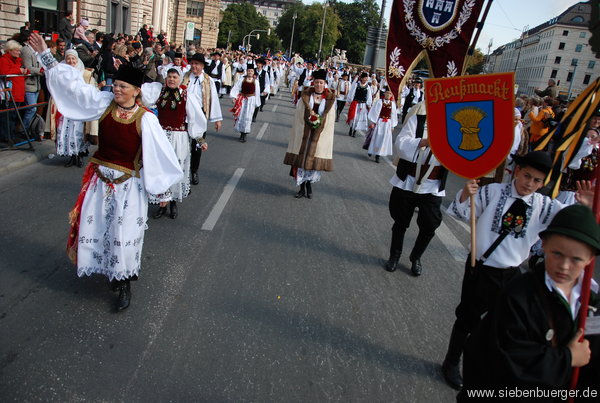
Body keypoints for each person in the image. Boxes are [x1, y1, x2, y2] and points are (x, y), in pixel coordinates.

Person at [30, 33, 183, 311]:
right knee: (99, 227)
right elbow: (73, 89)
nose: (117, 90)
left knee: (123, 236)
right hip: (100, 181)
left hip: (128, 186)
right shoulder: (103, 103)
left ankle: (124, 284)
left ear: (136, 91)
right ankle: (105, 269)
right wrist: (46, 57)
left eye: (123, 86)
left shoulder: (146, 120)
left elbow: (161, 157)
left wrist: (158, 188)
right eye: (116, 85)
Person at [441, 151, 594, 391]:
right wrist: (465, 194)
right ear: (516, 171)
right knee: (467, 319)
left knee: (504, 326)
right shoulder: (493, 192)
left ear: (544, 183)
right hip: (481, 268)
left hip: (513, 275)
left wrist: (584, 206)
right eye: (526, 176)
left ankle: (493, 368)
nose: (529, 184)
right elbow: (461, 212)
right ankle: (451, 362)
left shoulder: (544, 206)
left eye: (537, 181)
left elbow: (570, 223)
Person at [458, 204, 600, 401]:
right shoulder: (518, 294)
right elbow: (509, 362)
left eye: (576, 259)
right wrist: (567, 359)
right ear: (544, 245)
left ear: (590, 259)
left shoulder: (593, 303)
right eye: (557, 254)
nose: (565, 266)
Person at [384, 102, 447, 275]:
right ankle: (394, 255)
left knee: (430, 225)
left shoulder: (455, 127)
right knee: (400, 221)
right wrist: (424, 142)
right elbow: (401, 143)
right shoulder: (418, 121)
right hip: (408, 180)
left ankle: (416, 257)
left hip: (432, 185)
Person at [146, 69, 207, 219]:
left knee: (176, 168)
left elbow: (195, 119)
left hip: (178, 137)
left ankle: (173, 202)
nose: (171, 79)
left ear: (180, 79)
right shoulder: (159, 93)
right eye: (169, 77)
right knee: (161, 170)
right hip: (161, 137)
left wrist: (200, 139)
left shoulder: (187, 96)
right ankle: (163, 203)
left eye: (175, 77)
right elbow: (143, 95)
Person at [284, 69, 335, 199]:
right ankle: (302, 188)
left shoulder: (329, 100)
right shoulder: (305, 97)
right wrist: (307, 123)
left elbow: (330, 121)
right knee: (302, 160)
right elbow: (299, 116)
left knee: (313, 161)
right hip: (305, 133)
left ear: (325, 84)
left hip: (319, 134)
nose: (319, 85)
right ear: (313, 83)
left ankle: (309, 186)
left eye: (321, 82)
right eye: (317, 82)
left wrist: (319, 125)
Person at [50, 49, 99, 167]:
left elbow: (91, 91)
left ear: (77, 60)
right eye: (68, 59)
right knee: (67, 133)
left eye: (73, 59)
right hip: (66, 110)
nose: (71, 61)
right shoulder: (61, 75)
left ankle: (79, 156)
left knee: (78, 133)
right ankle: (72, 156)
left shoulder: (85, 75)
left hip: (79, 109)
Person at [181, 53, 223, 186]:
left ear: (202, 66)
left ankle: (194, 170)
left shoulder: (207, 80)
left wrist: (217, 119)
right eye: (192, 63)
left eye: (197, 64)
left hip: (200, 116)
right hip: (184, 116)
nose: (194, 66)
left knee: (197, 145)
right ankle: (182, 171)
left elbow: (213, 99)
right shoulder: (184, 77)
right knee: (182, 144)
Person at [0, 40, 28, 142]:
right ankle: (6, 137)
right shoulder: (4, 60)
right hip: (9, 93)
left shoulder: (18, 60)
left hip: (18, 92)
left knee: (14, 116)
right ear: (10, 50)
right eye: (16, 50)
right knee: (8, 117)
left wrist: (25, 71)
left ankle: (11, 135)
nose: (18, 52)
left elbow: (23, 70)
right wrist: (18, 70)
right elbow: (4, 72)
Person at [229, 64, 260, 143]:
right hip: (243, 99)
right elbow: (236, 88)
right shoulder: (242, 79)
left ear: (253, 72)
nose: (250, 72)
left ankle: (245, 134)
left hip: (251, 100)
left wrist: (257, 103)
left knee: (248, 116)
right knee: (241, 116)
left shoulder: (256, 82)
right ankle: (241, 134)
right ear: (247, 71)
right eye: (249, 71)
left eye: (251, 71)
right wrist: (234, 97)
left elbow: (257, 92)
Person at [20, 38, 44, 136]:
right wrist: (41, 71)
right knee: (32, 108)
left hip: (36, 85)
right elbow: (28, 67)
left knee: (33, 109)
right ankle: (23, 129)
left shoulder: (35, 51)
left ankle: (28, 129)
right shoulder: (26, 50)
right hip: (29, 85)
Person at [366, 88, 397, 163]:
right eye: (387, 93)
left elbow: (393, 115)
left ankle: (378, 155)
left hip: (387, 123)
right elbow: (375, 111)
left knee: (383, 138)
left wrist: (392, 125)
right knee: (376, 137)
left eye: (390, 93)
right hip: (379, 122)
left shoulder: (392, 104)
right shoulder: (379, 102)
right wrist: (373, 122)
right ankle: (371, 150)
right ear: (384, 93)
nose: (388, 95)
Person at [346, 72, 372, 137]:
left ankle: (355, 130)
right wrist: (349, 100)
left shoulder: (368, 87)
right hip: (356, 103)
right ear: (361, 78)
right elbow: (352, 92)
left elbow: (369, 96)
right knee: (354, 117)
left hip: (362, 105)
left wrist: (369, 104)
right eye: (364, 78)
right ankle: (351, 128)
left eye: (366, 79)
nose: (365, 80)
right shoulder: (356, 85)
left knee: (359, 118)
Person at [252, 58, 271, 122]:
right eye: (257, 63)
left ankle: (254, 116)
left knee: (257, 104)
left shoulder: (264, 73)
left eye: (259, 63)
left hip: (260, 90)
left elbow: (267, 82)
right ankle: (250, 115)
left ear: (262, 65)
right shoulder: (253, 71)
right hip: (252, 90)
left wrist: (266, 90)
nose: (258, 64)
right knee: (251, 103)